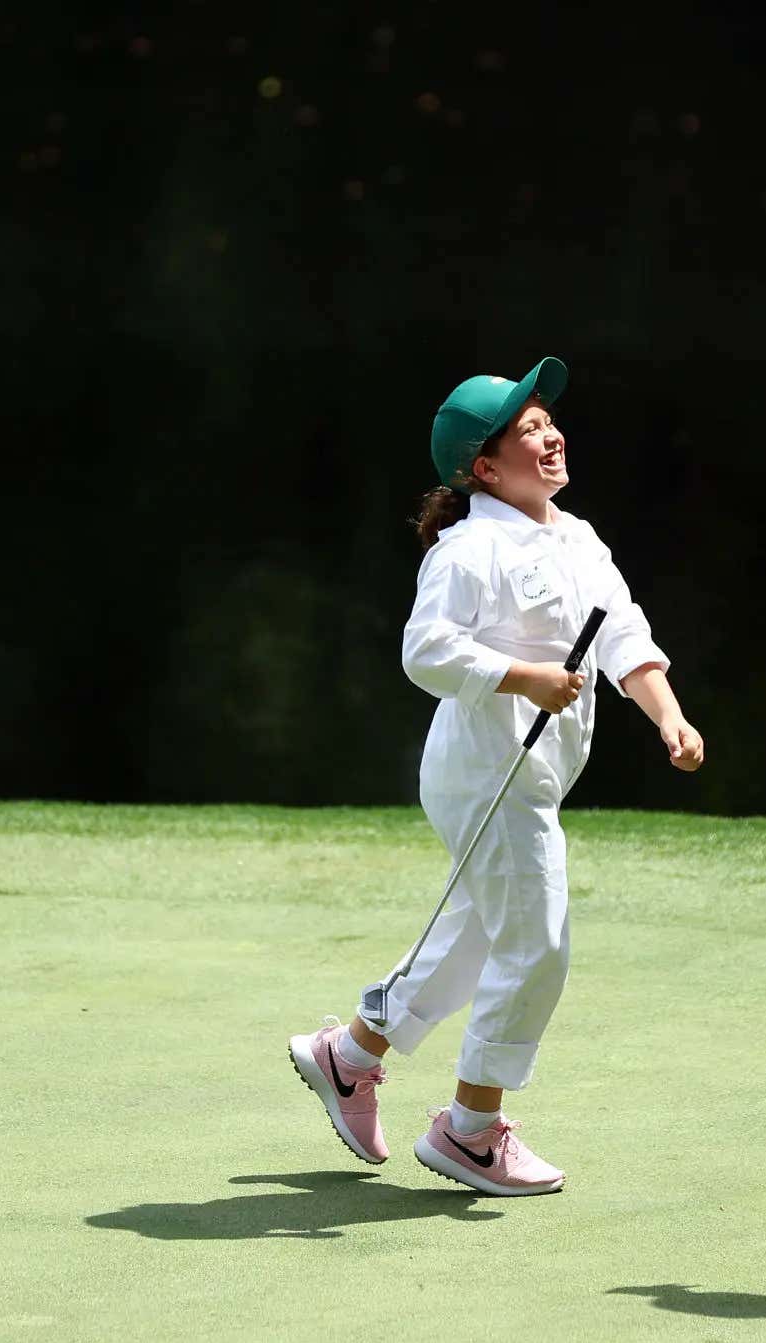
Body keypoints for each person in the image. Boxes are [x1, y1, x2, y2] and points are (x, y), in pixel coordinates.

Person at [289, 358, 705, 1196]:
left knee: (481, 933)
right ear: (484, 467)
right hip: (487, 774)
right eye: (528, 430)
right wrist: (527, 677)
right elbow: (425, 651)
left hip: (533, 773)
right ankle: (471, 1131)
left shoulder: (576, 536)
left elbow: (622, 629)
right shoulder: (468, 549)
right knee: (536, 943)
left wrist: (667, 714)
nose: (550, 436)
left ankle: (351, 1054)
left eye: (548, 421)